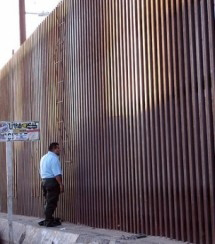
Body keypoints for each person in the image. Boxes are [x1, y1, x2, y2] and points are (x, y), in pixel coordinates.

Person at [39, 142, 64, 227]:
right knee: (52, 202)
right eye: (58, 148)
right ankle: (48, 220)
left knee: (47, 201)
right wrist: (60, 184)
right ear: (54, 149)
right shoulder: (54, 158)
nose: (59, 150)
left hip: (44, 181)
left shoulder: (44, 157)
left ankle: (48, 218)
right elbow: (57, 174)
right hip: (52, 182)